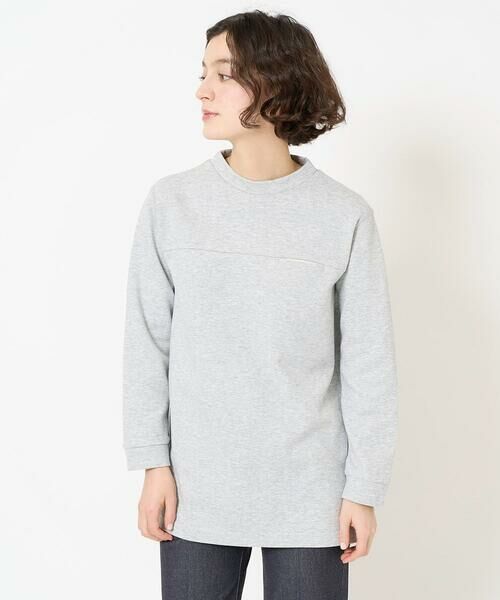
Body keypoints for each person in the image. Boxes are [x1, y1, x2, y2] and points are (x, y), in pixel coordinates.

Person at [122, 10, 398, 600]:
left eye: (223, 74)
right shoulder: (172, 204)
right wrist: (153, 464)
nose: (202, 90)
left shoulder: (344, 216)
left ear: (275, 81)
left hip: (312, 494)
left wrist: (364, 488)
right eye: (203, 73)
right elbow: (147, 344)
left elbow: (369, 365)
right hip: (195, 489)